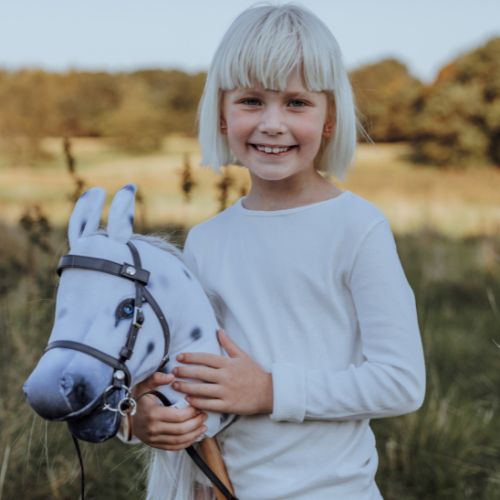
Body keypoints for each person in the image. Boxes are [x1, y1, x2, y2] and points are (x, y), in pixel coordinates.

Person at [132, 3, 426, 498]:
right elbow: (183, 371)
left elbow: (400, 382)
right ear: (221, 115)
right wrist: (142, 419)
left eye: (296, 103)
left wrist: (270, 390)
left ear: (329, 118)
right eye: (251, 101)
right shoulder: (206, 240)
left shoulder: (357, 228)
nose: (272, 123)